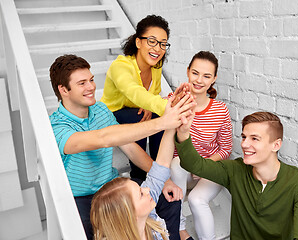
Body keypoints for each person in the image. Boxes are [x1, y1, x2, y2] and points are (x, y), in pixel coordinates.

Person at [49, 54, 194, 240]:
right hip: (81, 198)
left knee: (169, 198)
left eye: (91, 80)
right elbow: (104, 138)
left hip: (112, 187)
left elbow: (130, 147)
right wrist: (163, 123)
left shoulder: (100, 110)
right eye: (82, 83)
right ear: (64, 89)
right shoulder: (57, 127)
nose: (91, 87)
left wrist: (164, 181)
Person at [174, 111, 298, 240]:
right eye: (244, 137)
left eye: (254, 138)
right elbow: (195, 165)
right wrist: (183, 133)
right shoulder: (235, 170)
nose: (244, 144)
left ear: (276, 145)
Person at [101, 14, 172, 181]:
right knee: (138, 116)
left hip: (134, 112)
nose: (158, 48)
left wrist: (151, 106)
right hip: (111, 114)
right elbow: (132, 90)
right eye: (152, 41)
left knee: (156, 115)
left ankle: (159, 168)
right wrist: (165, 106)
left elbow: (153, 93)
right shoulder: (121, 66)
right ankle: (138, 176)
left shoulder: (156, 66)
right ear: (138, 42)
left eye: (163, 44)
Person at [170, 51, 232, 240]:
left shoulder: (220, 109)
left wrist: (205, 165)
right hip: (182, 172)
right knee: (176, 162)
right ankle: (179, 229)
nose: (199, 80)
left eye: (206, 76)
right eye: (195, 73)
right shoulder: (173, 101)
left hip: (210, 170)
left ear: (214, 79)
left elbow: (226, 149)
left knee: (197, 200)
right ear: (188, 72)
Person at [91, 126, 190, 240]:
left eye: (140, 188)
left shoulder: (148, 218)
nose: (147, 189)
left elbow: (161, 166)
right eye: (141, 194)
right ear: (130, 215)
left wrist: (172, 126)